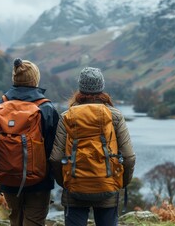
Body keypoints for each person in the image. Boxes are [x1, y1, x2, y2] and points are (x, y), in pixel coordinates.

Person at [50, 67, 136, 226]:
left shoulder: (66, 116)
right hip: (107, 185)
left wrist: (66, 182)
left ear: (80, 89)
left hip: (75, 187)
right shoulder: (115, 115)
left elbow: (55, 158)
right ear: (101, 88)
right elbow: (129, 157)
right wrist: (119, 183)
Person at [0, 58, 59, 226]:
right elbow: (57, 147)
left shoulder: (1, 104)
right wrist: (52, 174)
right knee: (34, 220)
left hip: (8, 177)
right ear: (35, 79)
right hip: (39, 181)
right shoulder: (46, 108)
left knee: (15, 218)